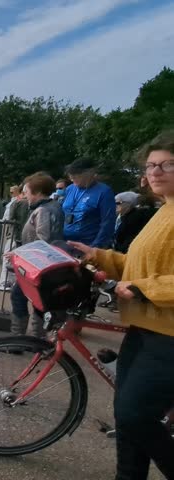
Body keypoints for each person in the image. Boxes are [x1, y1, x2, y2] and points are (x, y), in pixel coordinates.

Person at [68, 130, 174, 480]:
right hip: (144, 328)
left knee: (136, 415)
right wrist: (101, 257)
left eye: (167, 164)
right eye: (151, 165)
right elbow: (141, 264)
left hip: (168, 336)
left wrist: (143, 289)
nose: (155, 171)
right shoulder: (164, 210)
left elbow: (149, 278)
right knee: (126, 418)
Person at [9, 173, 64, 338]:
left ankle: (22, 339)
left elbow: (42, 240)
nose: (25, 196)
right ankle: (35, 338)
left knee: (20, 296)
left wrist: (19, 253)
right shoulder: (54, 206)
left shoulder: (43, 210)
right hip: (47, 264)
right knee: (39, 301)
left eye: (27, 192)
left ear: (38, 192)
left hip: (38, 265)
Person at [62, 158, 117, 248]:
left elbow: (108, 222)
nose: (72, 179)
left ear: (88, 174)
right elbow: (62, 213)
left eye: (75, 176)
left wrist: (95, 247)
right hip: (67, 243)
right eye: (70, 176)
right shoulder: (70, 189)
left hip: (88, 244)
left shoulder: (104, 191)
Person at [0, 186, 30, 291]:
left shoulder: (18, 203)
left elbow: (10, 218)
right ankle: (14, 283)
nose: (11, 194)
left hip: (14, 235)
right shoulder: (30, 203)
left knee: (8, 258)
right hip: (23, 236)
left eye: (12, 192)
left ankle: (5, 283)